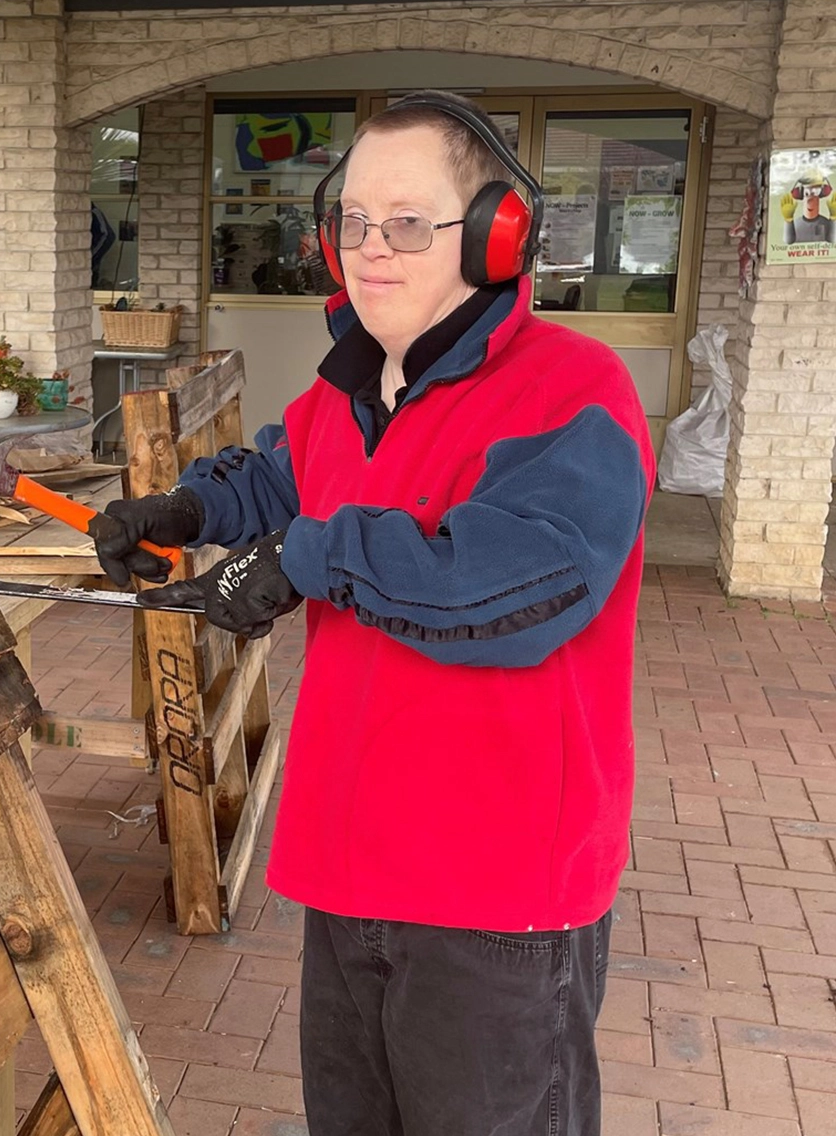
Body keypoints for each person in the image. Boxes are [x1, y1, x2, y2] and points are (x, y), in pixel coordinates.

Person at [88, 91, 654, 1136]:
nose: (370, 249)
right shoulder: (346, 393)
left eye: (407, 222)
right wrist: (186, 507)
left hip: (498, 898)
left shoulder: (575, 395)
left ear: (496, 234)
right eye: (352, 220)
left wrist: (308, 557)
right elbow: (282, 475)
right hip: (349, 869)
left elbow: (512, 588)